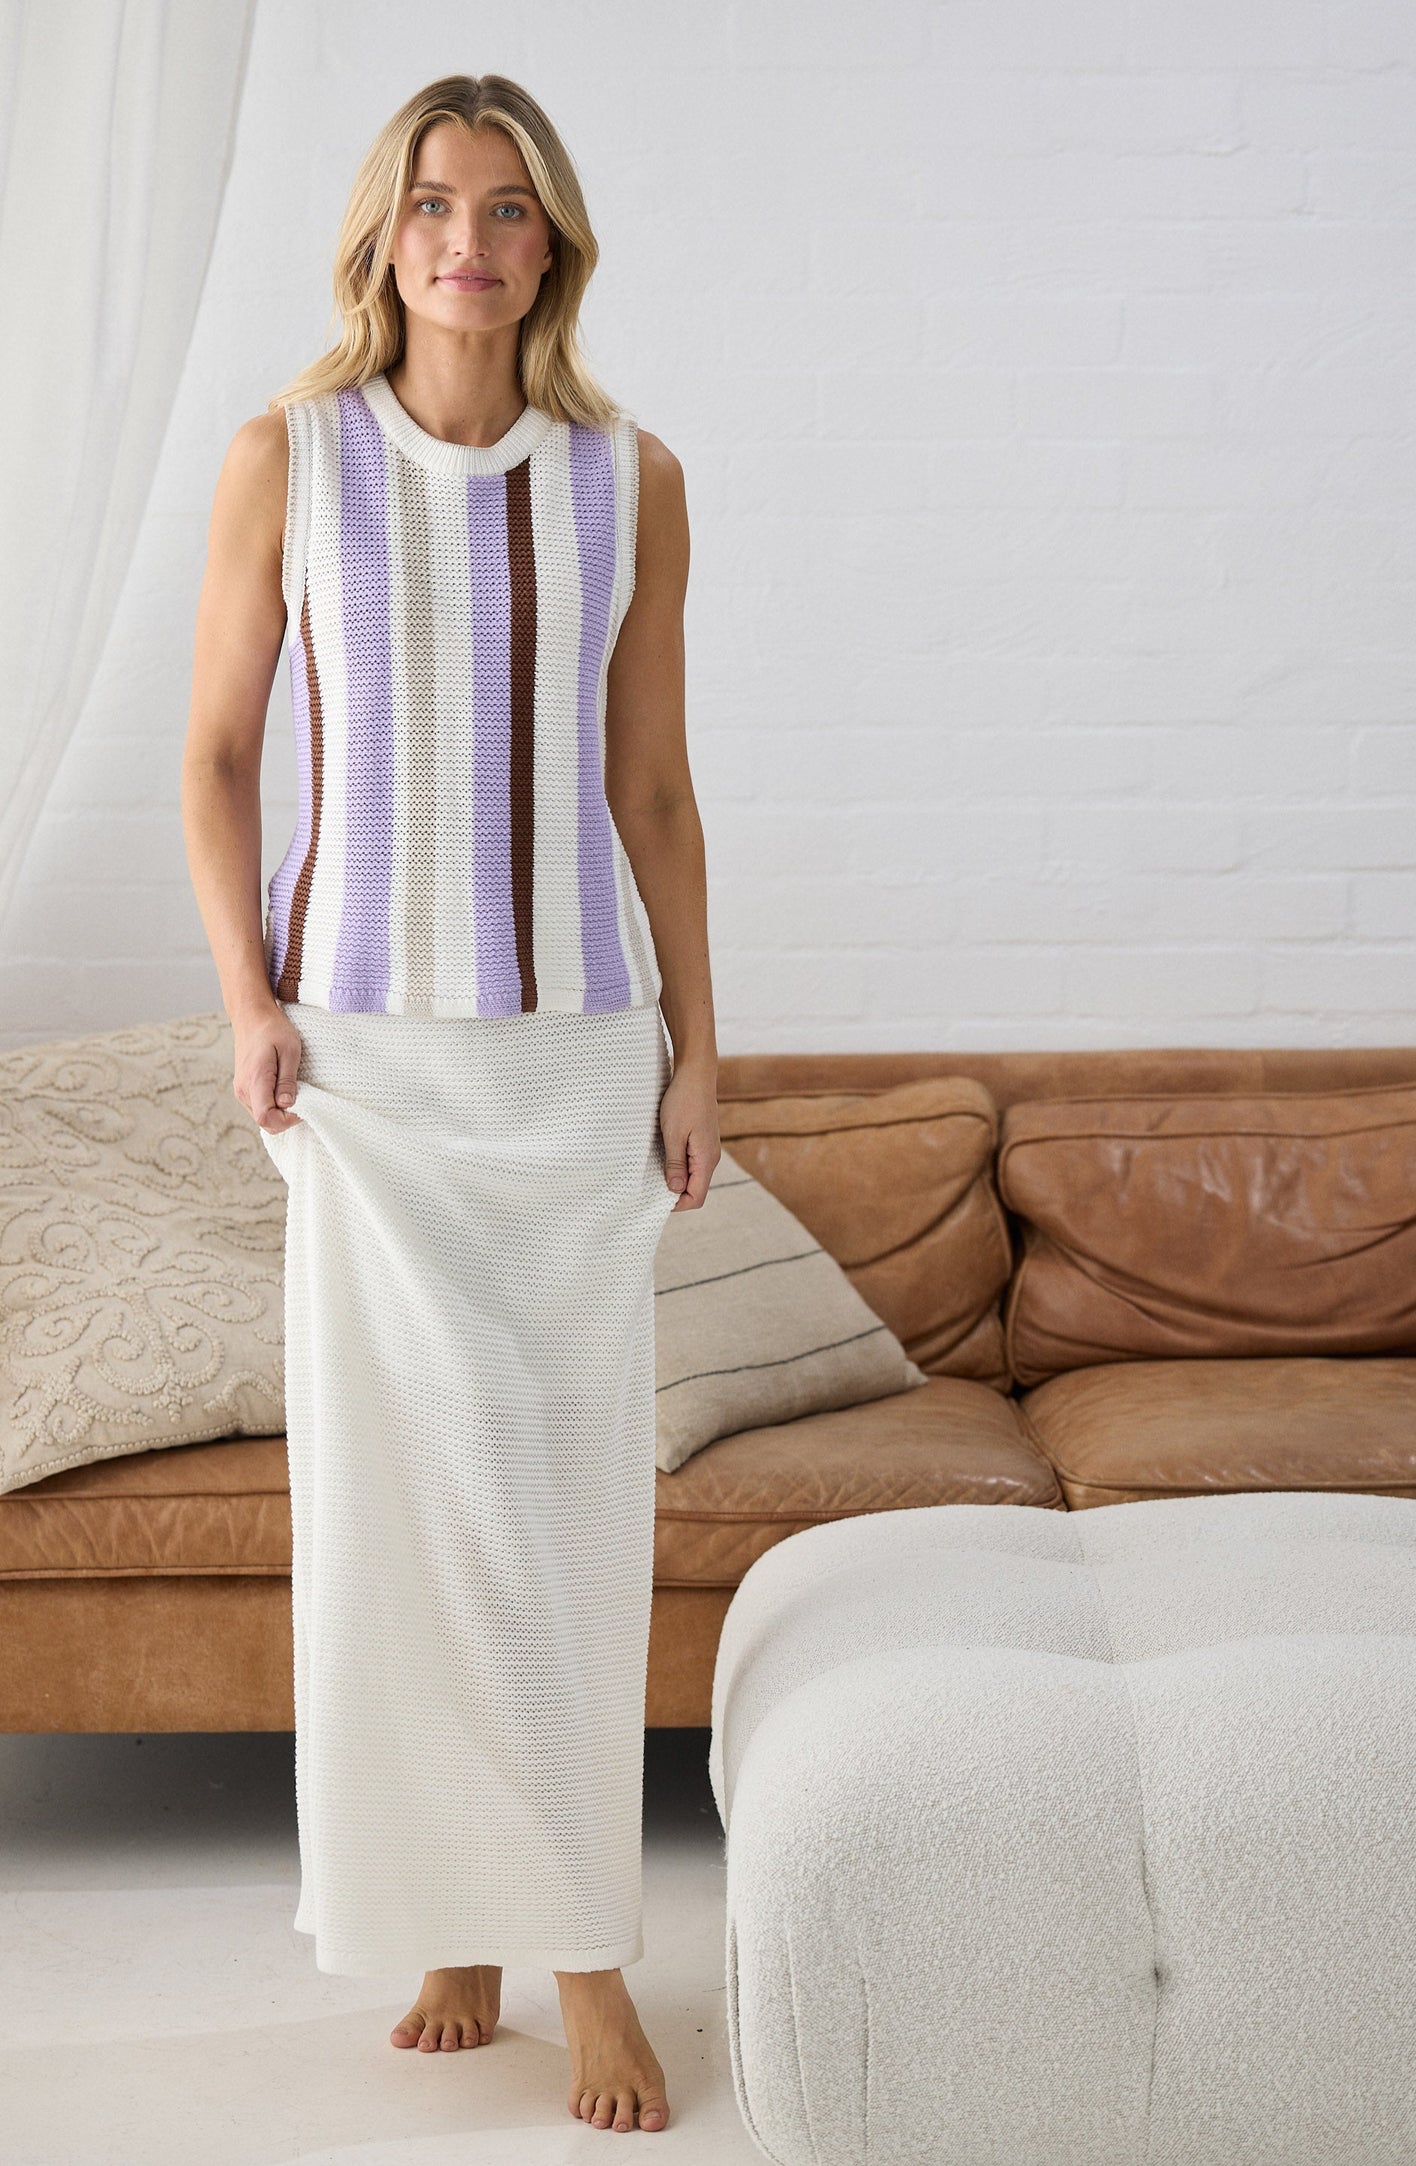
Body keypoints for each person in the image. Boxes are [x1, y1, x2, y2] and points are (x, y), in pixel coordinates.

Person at [180, 71, 719, 2138]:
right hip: (369, 1073)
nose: (466, 243)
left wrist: (701, 1041)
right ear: (382, 239)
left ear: (552, 240)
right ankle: (454, 1929)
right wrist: (248, 1005)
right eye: (431, 208)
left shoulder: (631, 478)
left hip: (576, 1058)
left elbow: (652, 788)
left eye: (504, 210)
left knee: (564, 1512)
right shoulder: (284, 458)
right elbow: (220, 759)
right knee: (400, 1516)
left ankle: (586, 1953)